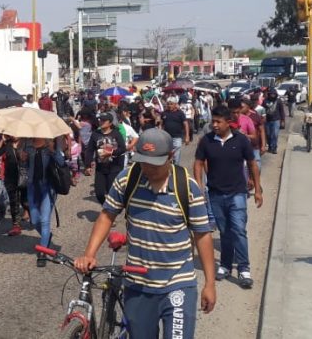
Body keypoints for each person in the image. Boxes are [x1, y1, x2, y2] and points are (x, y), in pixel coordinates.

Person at [74, 128, 216, 339]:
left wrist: (210, 284)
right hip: (138, 285)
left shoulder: (187, 187)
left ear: (170, 157)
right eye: (143, 162)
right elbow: (106, 216)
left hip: (178, 283)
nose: (148, 168)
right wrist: (89, 254)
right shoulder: (127, 179)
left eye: (154, 164)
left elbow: (202, 236)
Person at [194, 106, 263, 289]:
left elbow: (252, 163)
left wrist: (257, 189)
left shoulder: (241, 140)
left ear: (228, 122)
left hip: (237, 193)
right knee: (224, 232)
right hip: (215, 194)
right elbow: (198, 163)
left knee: (239, 230)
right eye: (213, 121)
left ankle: (243, 268)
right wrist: (199, 186)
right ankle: (225, 266)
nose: (214, 125)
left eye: (218, 122)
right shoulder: (207, 141)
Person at [26, 136, 66, 267]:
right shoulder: (28, 145)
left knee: (44, 220)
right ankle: (46, 236)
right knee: (34, 220)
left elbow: (62, 163)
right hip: (32, 186)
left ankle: (43, 252)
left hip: (48, 187)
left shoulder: (51, 145)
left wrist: (53, 151)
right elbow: (23, 166)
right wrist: (22, 158)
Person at [88, 112, 126, 205]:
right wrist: (88, 165)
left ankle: (111, 210)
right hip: (100, 168)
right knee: (99, 193)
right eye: (100, 120)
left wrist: (111, 153)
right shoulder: (95, 134)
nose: (101, 122)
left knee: (110, 191)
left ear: (110, 123)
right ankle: (107, 207)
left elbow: (122, 148)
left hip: (114, 166)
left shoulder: (116, 134)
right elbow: (89, 150)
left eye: (104, 120)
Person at [160, 97, 191, 165]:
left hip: (177, 138)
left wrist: (187, 136)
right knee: (167, 157)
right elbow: (161, 125)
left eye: (171, 104)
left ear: (175, 104)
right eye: (168, 104)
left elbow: (186, 124)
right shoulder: (164, 113)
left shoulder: (180, 113)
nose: (169, 105)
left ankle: (175, 170)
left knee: (176, 157)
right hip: (166, 138)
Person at [262, 90, 287, 154]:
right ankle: (270, 146)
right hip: (267, 120)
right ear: (269, 94)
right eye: (271, 94)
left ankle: (274, 148)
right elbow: (262, 110)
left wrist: (283, 121)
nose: (273, 95)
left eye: (274, 94)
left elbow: (282, 111)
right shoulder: (265, 101)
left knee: (275, 134)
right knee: (268, 134)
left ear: (276, 94)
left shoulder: (278, 101)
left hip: (276, 120)